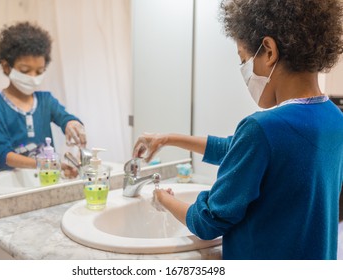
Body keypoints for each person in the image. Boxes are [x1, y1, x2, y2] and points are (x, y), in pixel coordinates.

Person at [133, 0, 343, 260]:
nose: (244, 72)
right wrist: (168, 139)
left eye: (244, 60)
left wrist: (161, 198)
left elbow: (208, 221)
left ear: (268, 51)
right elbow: (240, 152)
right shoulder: (335, 118)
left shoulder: (262, 129)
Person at [0, 22, 86, 176]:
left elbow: (65, 118)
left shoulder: (45, 100)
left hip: (45, 179)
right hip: (7, 183)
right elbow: (2, 153)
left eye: (39, 71)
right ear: (6, 66)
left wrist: (72, 124)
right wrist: (44, 163)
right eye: (25, 70)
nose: (33, 77)